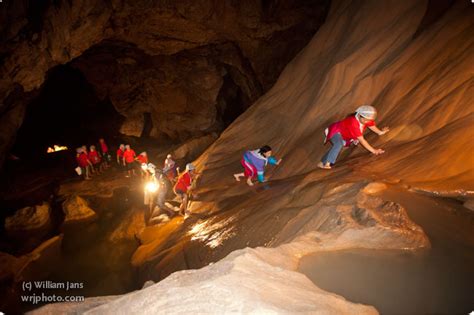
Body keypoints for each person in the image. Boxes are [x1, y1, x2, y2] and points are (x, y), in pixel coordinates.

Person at [318, 105, 389, 169]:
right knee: (338, 144)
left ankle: (321, 163)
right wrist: (374, 151)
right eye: (366, 120)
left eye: (368, 120)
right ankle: (327, 163)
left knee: (339, 145)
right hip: (336, 131)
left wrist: (380, 132)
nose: (367, 122)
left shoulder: (365, 119)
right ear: (359, 115)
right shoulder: (353, 122)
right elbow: (362, 140)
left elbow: (371, 126)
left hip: (345, 135)